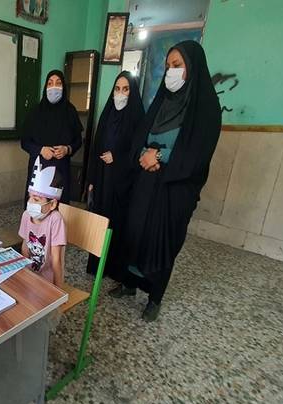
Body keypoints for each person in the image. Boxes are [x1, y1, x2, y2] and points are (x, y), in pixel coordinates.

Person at [116, 40, 221, 322]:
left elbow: (197, 153)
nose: (170, 72)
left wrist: (160, 156)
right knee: (135, 231)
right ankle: (129, 283)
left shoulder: (205, 109)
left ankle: (155, 297)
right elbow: (141, 136)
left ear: (193, 68)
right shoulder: (161, 102)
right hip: (146, 184)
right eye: (167, 66)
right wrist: (144, 154)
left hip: (174, 190)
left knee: (161, 240)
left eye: (177, 65)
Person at [85, 71, 144, 281]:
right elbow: (95, 147)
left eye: (125, 89)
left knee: (117, 223)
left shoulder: (137, 117)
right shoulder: (107, 114)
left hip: (122, 183)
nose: (120, 94)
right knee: (100, 221)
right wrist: (92, 180)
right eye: (117, 89)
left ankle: (114, 268)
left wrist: (117, 157)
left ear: (132, 92)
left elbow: (138, 151)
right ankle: (96, 264)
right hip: (103, 179)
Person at [20, 70, 83, 205]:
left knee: (59, 207)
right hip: (39, 168)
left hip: (61, 169)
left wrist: (67, 149)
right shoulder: (35, 112)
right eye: (50, 83)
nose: (53, 87)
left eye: (58, 83)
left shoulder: (70, 111)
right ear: (45, 87)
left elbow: (78, 140)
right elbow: (24, 142)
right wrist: (41, 150)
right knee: (36, 208)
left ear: (63, 87)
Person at [19, 157, 67, 286]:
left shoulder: (56, 219)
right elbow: (25, 247)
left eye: (36, 199)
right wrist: (24, 275)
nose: (30, 203)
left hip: (47, 281)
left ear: (52, 204)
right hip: (29, 276)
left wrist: (59, 290)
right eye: (29, 197)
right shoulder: (26, 215)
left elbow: (56, 260)